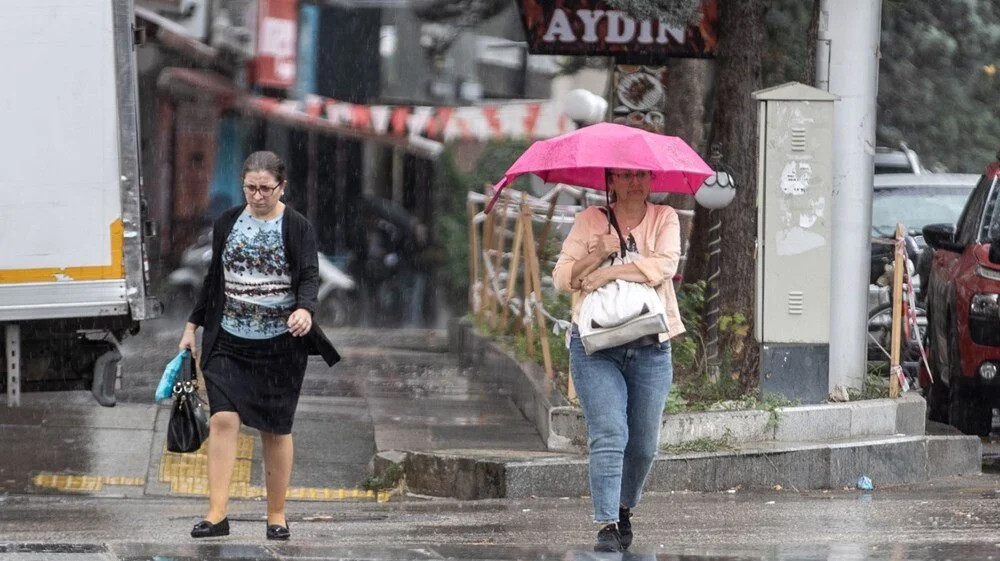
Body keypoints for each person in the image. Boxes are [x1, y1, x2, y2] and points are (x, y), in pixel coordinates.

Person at [178, 150, 339, 541]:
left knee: (275, 429)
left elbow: (309, 276)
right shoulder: (227, 222)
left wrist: (305, 310)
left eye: (266, 188)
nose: (258, 195)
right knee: (222, 419)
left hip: (280, 345)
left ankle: (277, 515)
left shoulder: (297, 226)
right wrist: (192, 326)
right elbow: (213, 278)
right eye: (250, 187)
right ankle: (217, 514)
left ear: (282, 187)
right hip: (229, 340)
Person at [552, 168, 684, 553]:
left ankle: (624, 507)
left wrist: (608, 273)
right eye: (624, 176)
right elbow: (563, 279)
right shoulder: (590, 220)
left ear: (651, 180)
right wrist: (595, 254)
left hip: (651, 344)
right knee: (610, 434)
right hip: (595, 345)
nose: (633, 183)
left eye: (641, 175)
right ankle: (607, 523)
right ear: (611, 181)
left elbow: (665, 266)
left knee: (643, 444)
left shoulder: (665, 218)